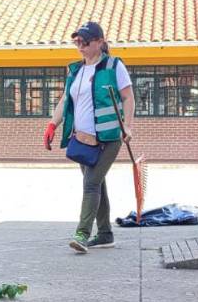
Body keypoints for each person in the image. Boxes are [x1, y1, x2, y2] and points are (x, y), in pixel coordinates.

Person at [42, 21, 134, 253]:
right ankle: (105, 234)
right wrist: (52, 124)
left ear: (100, 42)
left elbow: (128, 98)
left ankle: (82, 234)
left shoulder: (113, 66)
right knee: (97, 184)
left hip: (109, 137)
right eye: (77, 42)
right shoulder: (76, 70)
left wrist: (128, 126)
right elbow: (65, 100)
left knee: (91, 184)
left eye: (85, 42)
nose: (80, 46)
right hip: (82, 139)